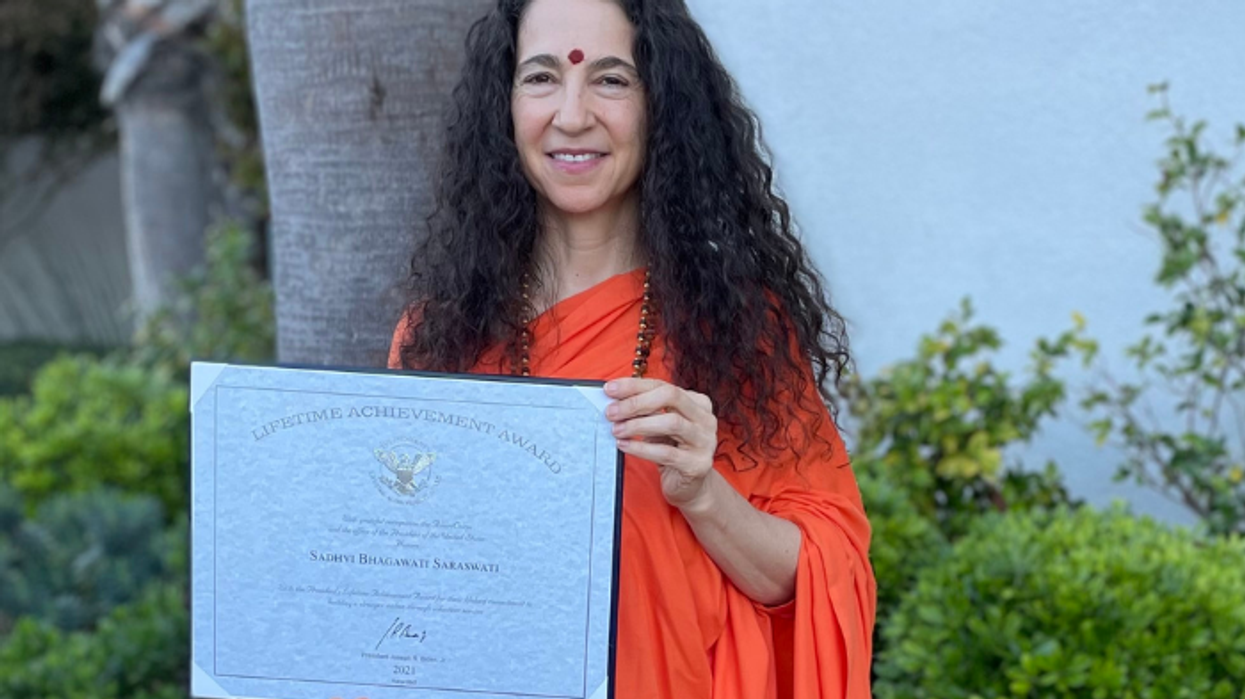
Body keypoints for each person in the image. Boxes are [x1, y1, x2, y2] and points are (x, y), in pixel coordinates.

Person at [388, 0, 876, 696]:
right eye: (540, 78)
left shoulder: (735, 330)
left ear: (660, 106)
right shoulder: (437, 338)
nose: (573, 114)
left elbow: (818, 575)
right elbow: (397, 582)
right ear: (503, 105)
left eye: (611, 80)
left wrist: (703, 493)